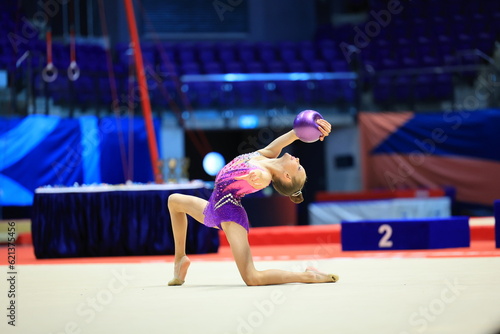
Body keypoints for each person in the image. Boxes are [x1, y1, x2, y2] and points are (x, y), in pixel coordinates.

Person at [167, 118, 338, 286]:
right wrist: (316, 129)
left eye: (299, 168)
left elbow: (260, 178)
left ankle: (307, 276)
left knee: (252, 277)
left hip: (230, 214)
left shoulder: (263, 175)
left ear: (286, 177)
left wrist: (252, 178)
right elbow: (296, 133)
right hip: (213, 207)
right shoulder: (267, 155)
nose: (298, 160)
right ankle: (180, 258)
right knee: (174, 201)